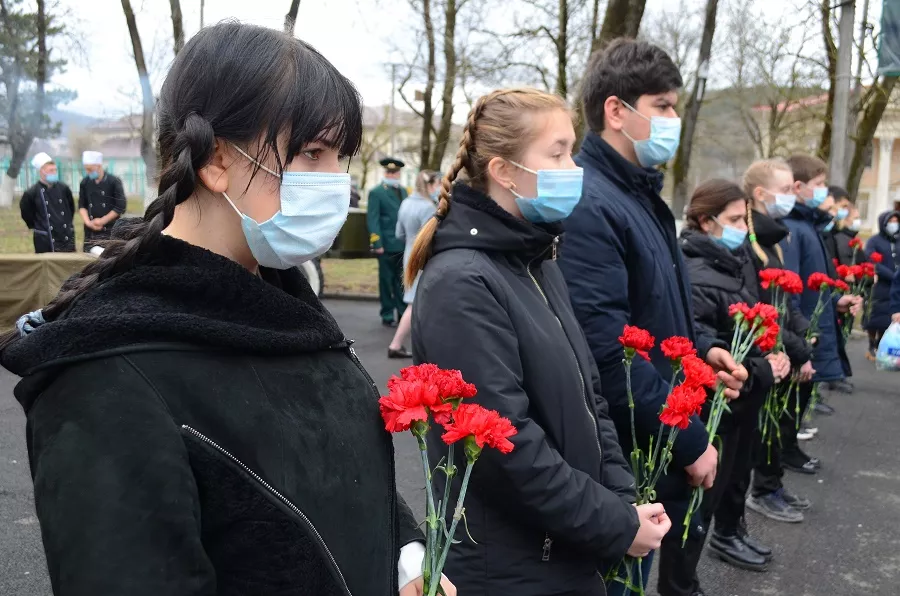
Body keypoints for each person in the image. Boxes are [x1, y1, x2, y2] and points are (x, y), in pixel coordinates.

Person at [0, 23, 455, 596]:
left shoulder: (288, 306)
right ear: (217, 160)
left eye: (340, 157)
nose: (336, 183)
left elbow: (343, 478)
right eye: (312, 154)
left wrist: (408, 558)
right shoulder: (107, 374)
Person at [407, 87, 670, 595]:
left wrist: (621, 500)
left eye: (572, 150)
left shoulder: (537, 262)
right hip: (513, 568)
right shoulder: (462, 282)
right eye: (558, 153)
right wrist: (613, 523)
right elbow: (506, 448)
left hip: (564, 544)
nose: (574, 167)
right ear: (505, 171)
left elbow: (590, 399)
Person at [557, 39, 747, 596]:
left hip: (650, 439)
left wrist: (702, 349)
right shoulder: (593, 204)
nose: (673, 120)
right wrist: (690, 441)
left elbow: (658, 310)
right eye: (662, 106)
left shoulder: (639, 195)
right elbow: (607, 352)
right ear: (617, 111)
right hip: (627, 454)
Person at [678, 179, 790, 580]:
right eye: (734, 219)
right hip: (720, 399)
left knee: (737, 473)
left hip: (747, 392)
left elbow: (753, 321)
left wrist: (773, 355)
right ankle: (684, 578)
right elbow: (704, 340)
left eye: (745, 219)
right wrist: (762, 368)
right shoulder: (695, 269)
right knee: (707, 492)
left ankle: (730, 531)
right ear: (705, 222)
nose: (744, 227)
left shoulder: (736, 259)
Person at [740, 158, 815, 524]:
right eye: (785, 190)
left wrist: (804, 335)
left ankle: (773, 484)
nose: (791, 196)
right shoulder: (750, 241)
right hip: (766, 350)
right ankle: (763, 490)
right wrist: (795, 348)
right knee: (765, 425)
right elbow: (760, 308)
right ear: (760, 193)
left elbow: (786, 302)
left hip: (782, 345)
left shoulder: (775, 238)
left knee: (779, 421)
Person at [780, 154, 863, 471]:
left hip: (811, 323)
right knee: (789, 400)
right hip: (801, 329)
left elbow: (814, 278)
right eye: (818, 184)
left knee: (800, 397)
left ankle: (789, 450)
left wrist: (835, 300)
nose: (823, 191)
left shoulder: (807, 225)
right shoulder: (793, 228)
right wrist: (799, 336)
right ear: (798, 187)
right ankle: (779, 460)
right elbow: (790, 286)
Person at [388, 169, 439, 359]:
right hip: (423, 258)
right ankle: (396, 344)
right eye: (437, 184)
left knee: (415, 300)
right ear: (429, 185)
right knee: (415, 302)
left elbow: (399, 234)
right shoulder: (428, 207)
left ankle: (401, 344)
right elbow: (429, 240)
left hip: (409, 254)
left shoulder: (405, 203)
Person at [367, 157, 408, 327]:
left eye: (395, 172)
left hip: (402, 244)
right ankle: (387, 314)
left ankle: (402, 312)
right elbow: (373, 219)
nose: (392, 175)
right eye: (389, 172)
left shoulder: (404, 191)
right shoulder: (377, 192)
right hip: (385, 245)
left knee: (402, 281)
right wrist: (377, 243)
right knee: (386, 281)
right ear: (385, 173)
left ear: (399, 174)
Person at [20, 152, 76, 253]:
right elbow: (27, 214)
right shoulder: (31, 193)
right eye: (51, 170)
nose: (54, 172)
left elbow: (71, 209)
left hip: (66, 236)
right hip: (45, 239)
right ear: (41, 171)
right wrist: (39, 226)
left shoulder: (64, 188)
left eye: (55, 170)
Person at [864, 210, 900, 360]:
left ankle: (882, 345)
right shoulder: (874, 241)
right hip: (880, 285)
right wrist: (891, 275)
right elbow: (871, 260)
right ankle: (872, 344)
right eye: (890, 221)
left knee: (890, 318)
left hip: (897, 286)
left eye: (896, 221)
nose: (894, 224)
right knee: (876, 316)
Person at [79, 150, 127, 251]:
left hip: (109, 230)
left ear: (99, 166)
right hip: (90, 232)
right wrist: (88, 223)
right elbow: (82, 205)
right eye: (86, 169)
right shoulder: (85, 182)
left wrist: (102, 221)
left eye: (90, 169)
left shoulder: (114, 181)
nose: (88, 172)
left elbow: (120, 206)